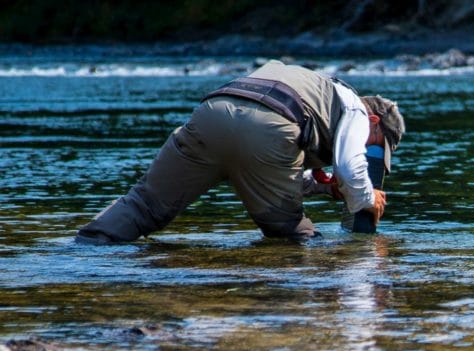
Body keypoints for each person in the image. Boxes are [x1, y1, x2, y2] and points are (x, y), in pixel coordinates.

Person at [76, 59, 405, 243]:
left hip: (212, 114)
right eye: (374, 148)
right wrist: (366, 198)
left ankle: (85, 249)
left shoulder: (310, 83)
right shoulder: (356, 109)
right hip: (271, 128)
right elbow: (349, 165)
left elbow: (260, 166)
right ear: (374, 121)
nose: (367, 152)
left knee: (144, 205)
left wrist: (321, 185)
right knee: (292, 236)